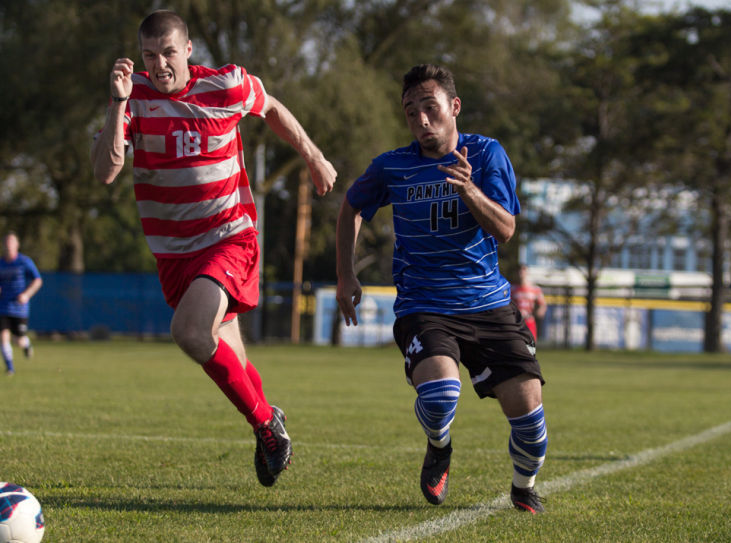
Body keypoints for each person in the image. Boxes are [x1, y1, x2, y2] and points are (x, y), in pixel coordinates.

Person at [91, 10, 336, 487]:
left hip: (229, 237)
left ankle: (267, 427)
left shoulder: (224, 87)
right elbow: (105, 171)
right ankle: (271, 417)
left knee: (188, 330)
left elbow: (272, 108)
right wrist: (119, 106)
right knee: (231, 357)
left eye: (167, 52)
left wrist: (314, 155)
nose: (159, 64)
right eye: (149, 56)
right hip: (173, 254)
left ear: (187, 50)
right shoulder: (133, 99)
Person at [336, 64, 547, 513]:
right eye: (411, 112)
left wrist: (468, 189)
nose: (421, 120)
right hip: (424, 306)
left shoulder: (487, 154)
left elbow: (506, 229)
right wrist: (345, 274)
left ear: (453, 107)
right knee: (439, 395)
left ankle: (523, 487)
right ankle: (439, 446)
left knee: (530, 421)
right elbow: (351, 206)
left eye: (429, 108)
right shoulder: (393, 166)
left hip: (489, 306)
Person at [0, 232, 43, 376]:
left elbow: (37, 280)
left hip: (19, 308)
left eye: (11, 242)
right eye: (6, 242)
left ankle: (26, 344)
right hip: (3, 306)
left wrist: (26, 294)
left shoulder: (24, 262)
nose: (8, 245)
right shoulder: (1, 263)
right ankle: (10, 368)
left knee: (18, 340)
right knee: (3, 336)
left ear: (17, 244)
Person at [511, 264, 548, 341]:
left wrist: (540, 311)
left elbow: (543, 304)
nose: (521, 272)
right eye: (519, 270)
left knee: (531, 344)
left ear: (527, 272)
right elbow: (507, 304)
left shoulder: (535, 289)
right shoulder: (512, 288)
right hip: (516, 321)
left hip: (529, 320)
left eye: (523, 270)